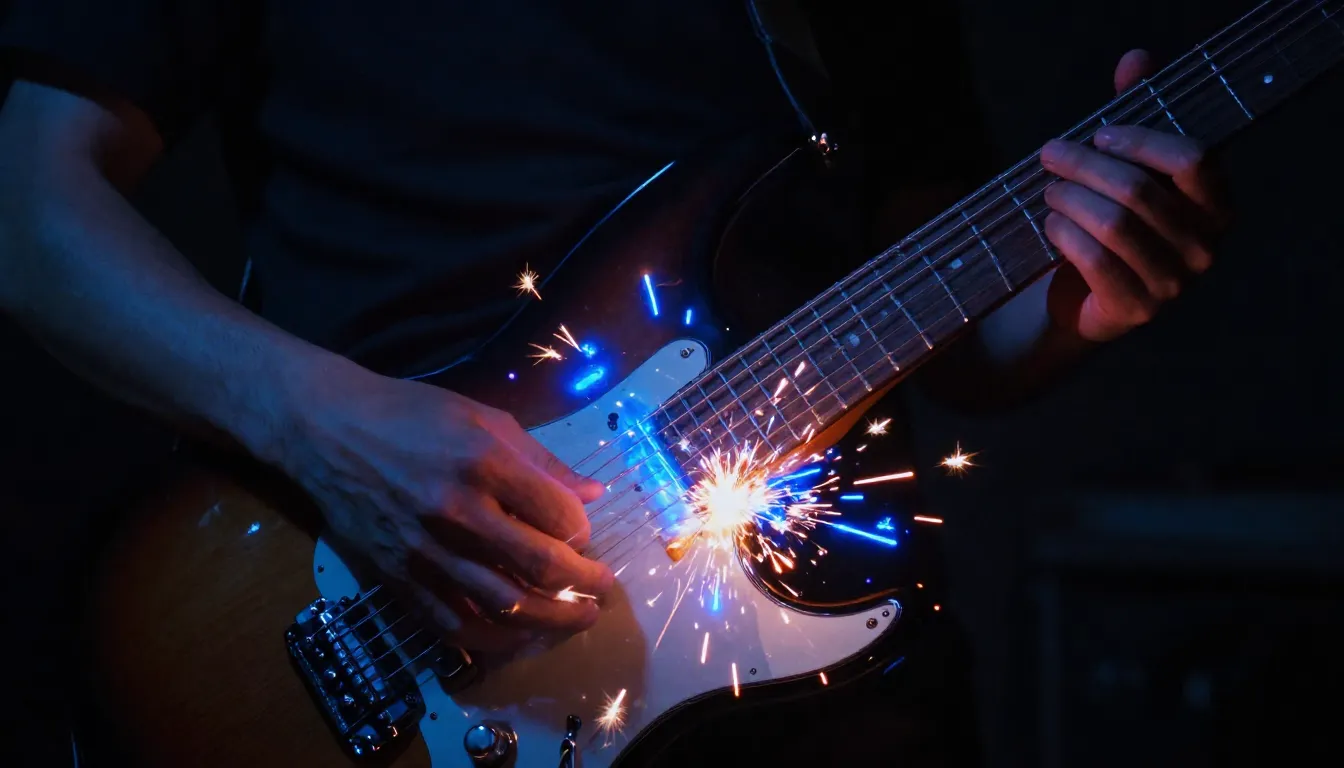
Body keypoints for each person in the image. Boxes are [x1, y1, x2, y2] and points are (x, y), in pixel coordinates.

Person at [0, 1, 1223, 765]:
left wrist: (1070, 300)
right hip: (397, 625)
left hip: (836, 697)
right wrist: (320, 423)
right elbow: (26, 209)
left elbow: (930, 298)